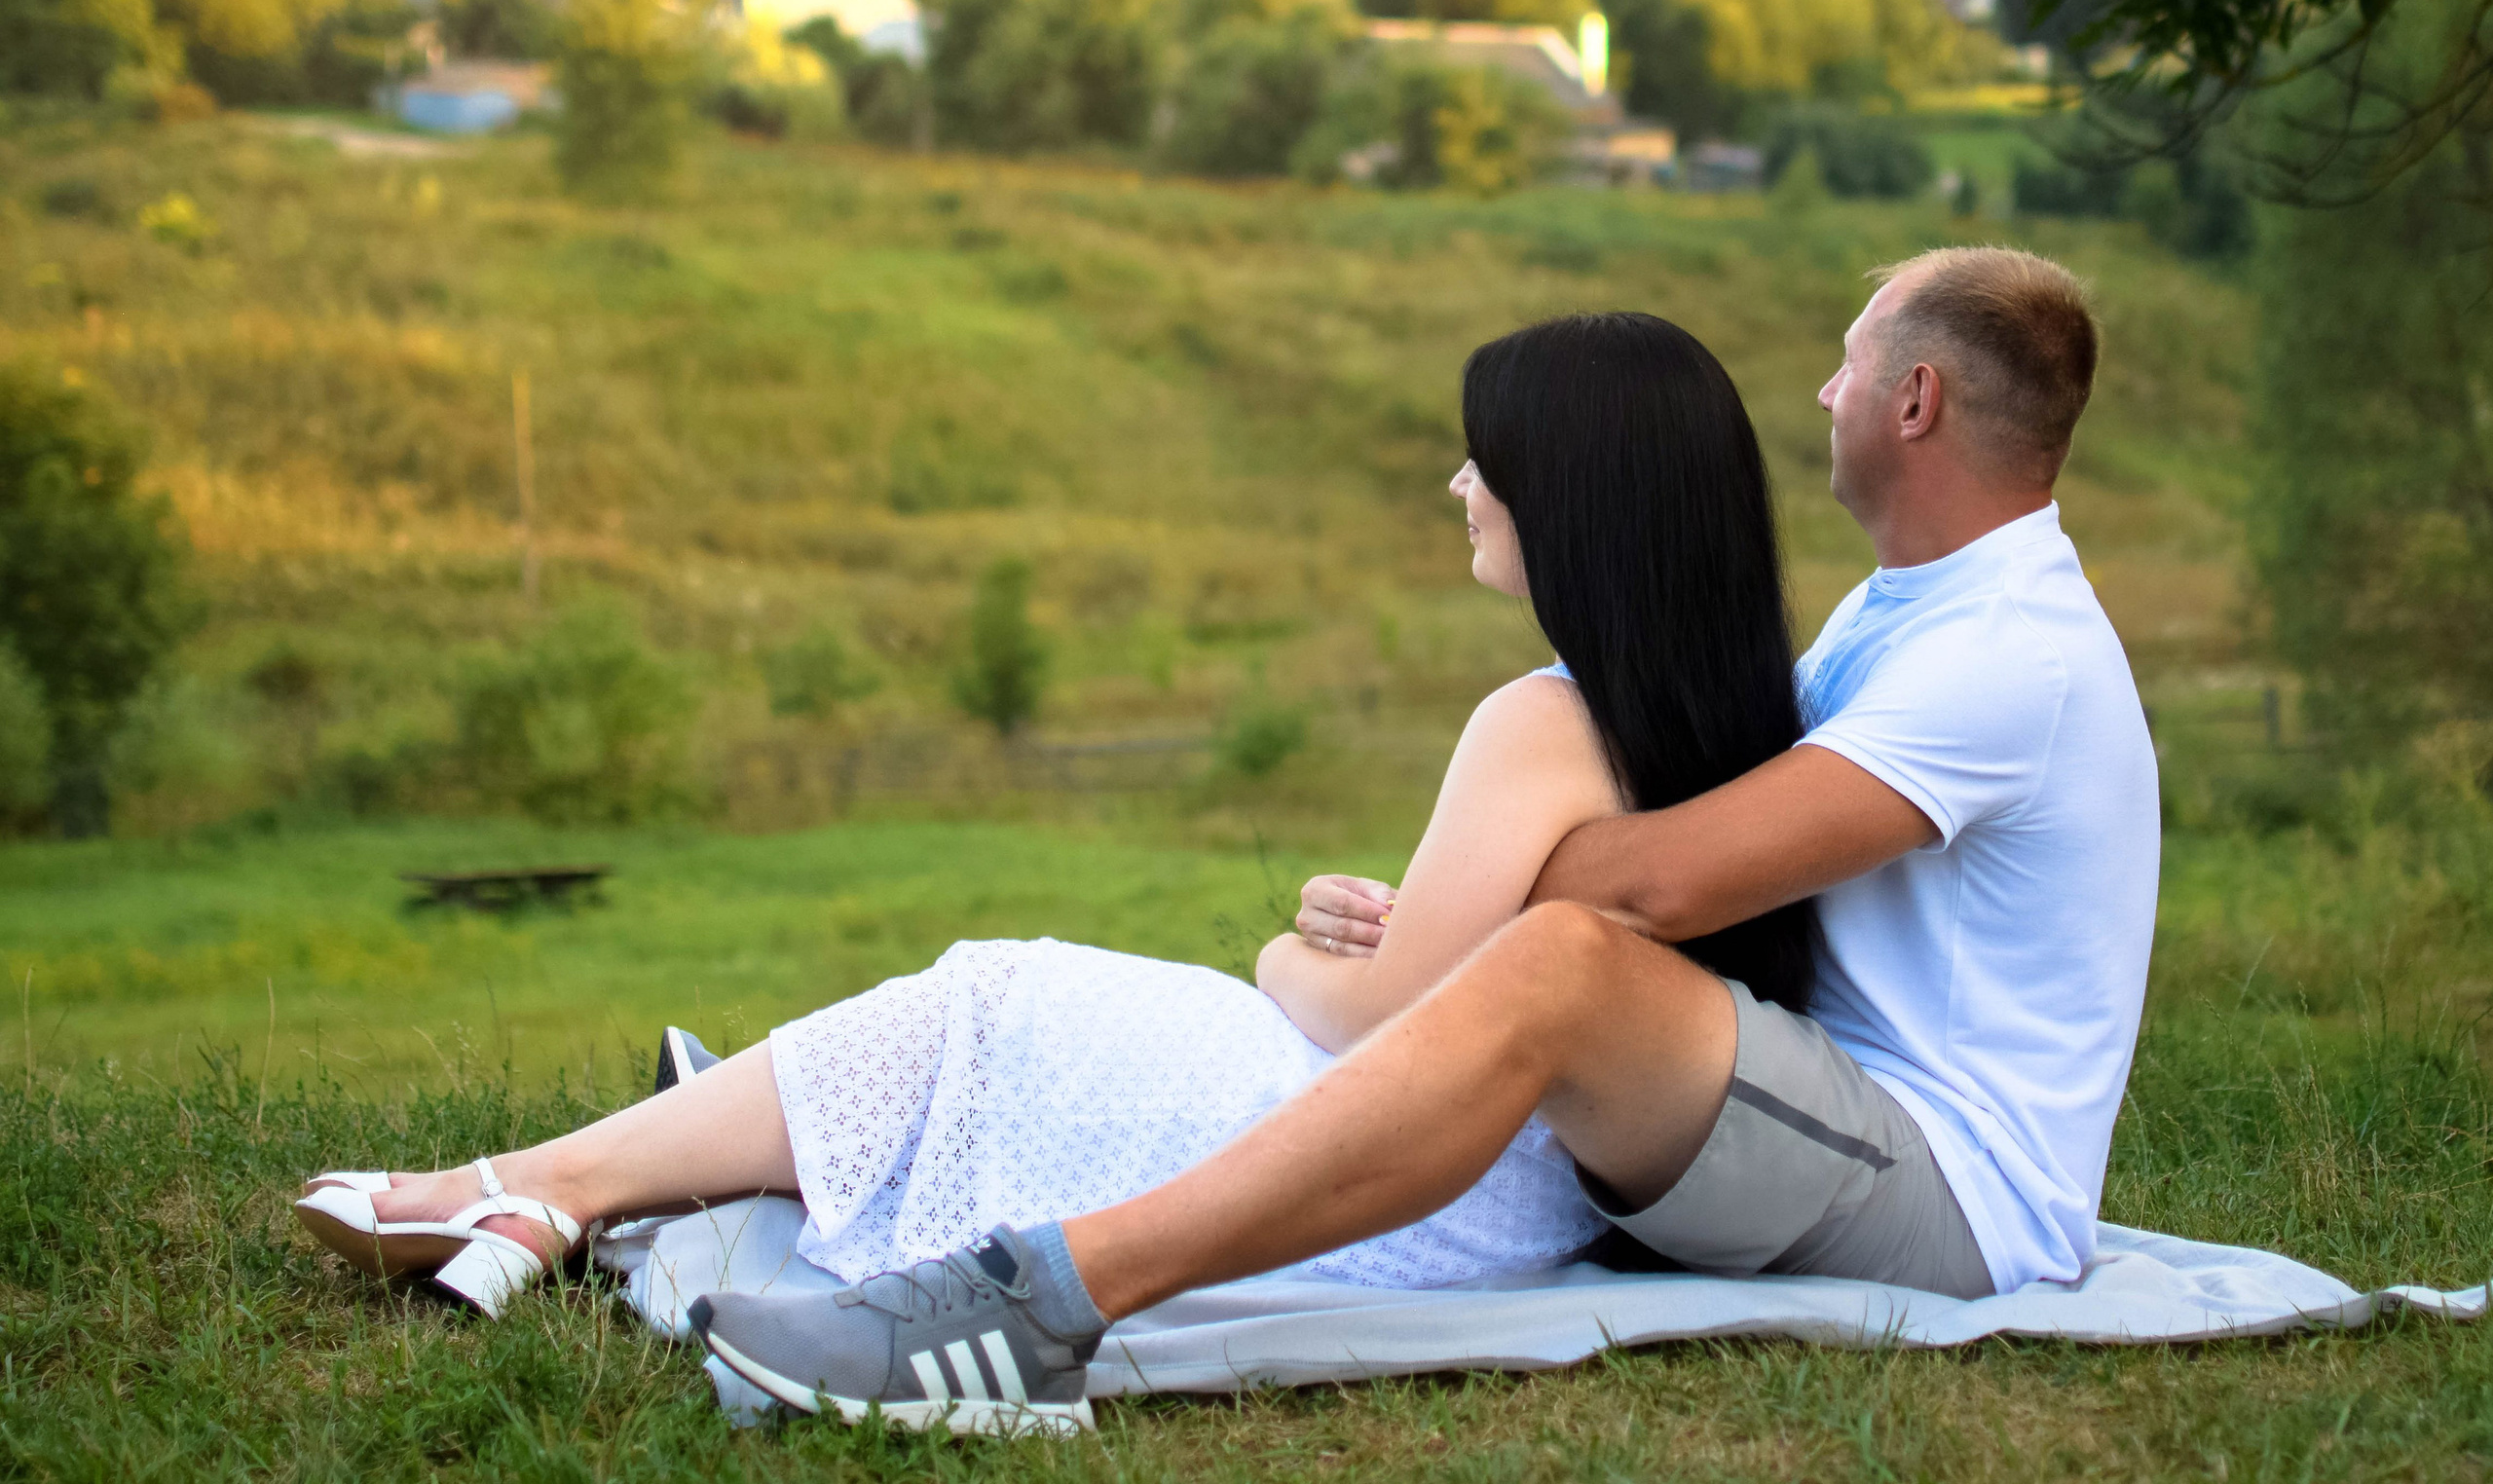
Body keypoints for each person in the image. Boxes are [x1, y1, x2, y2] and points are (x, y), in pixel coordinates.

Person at [687, 243, 2162, 1437]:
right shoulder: (1908, 611)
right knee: (1552, 958)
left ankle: (1040, 1302)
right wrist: (1458, 920)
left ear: (1912, 403)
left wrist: (1482, 914)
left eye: (1845, 363)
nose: (1818, 388)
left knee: (1572, 958)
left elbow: (1656, 878)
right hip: (1824, 1106)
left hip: (1959, 1196)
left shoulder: (2007, 652)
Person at [293, 311, 1822, 1433]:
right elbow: (1492, 962)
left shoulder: (1540, 718)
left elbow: (1369, 1027)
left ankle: (531, 1189)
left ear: (1577, 494)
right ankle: (553, 1191)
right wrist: (1394, 931)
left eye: (1488, 457)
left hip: (1419, 1181)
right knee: (1007, 1006)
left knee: (1003, 999)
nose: (1457, 483)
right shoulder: (1723, 714)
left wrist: (1289, 958)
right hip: (1510, 1190)